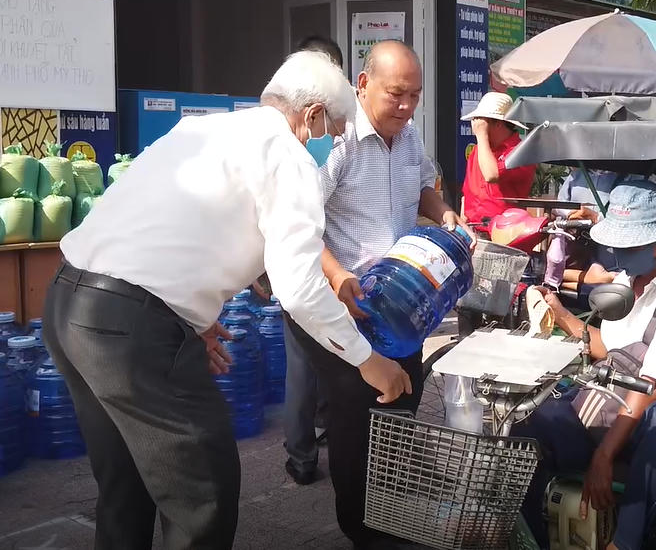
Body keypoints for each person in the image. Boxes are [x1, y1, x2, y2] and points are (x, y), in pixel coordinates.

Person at [43, 51, 410, 550]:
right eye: (338, 128)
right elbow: (300, 288)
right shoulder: (289, 155)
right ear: (314, 115)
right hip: (130, 330)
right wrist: (370, 362)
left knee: (126, 488)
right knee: (204, 495)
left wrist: (188, 316)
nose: (336, 141)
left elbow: (169, 230)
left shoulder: (208, 132)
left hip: (70, 305)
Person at [288, 40, 472, 549]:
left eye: (415, 95)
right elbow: (300, 224)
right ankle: (362, 528)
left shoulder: (408, 135)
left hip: (396, 300)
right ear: (363, 85)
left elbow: (422, 187)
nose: (408, 106)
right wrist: (339, 275)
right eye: (397, 94)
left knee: (402, 398)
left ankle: (394, 511)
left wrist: (444, 213)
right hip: (340, 303)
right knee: (355, 412)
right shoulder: (339, 138)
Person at [518, 181, 656, 550]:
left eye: (631, 245)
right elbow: (606, 348)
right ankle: (534, 536)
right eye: (618, 244)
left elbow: (654, 386)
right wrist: (559, 313)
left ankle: (624, 543)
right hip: (613, 410)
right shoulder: (626, 283)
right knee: (536, 416)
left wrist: (604, 456)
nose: (620, 254)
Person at [281, 34, 346, 486]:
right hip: (325, 261)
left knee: (303, 364)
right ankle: (326, 437)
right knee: (330, 354)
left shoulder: (283, 131)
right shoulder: (335, 132)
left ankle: (303, 455)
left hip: (306, 261)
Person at [461, 92, 538, 231]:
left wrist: (481, 136)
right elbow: (467, 195)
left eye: (482, 122)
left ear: (498, 124)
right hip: (473, 229)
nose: (477, 126)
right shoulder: (478, 150)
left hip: (505, 231)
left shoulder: (521, 152)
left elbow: (491, 175)